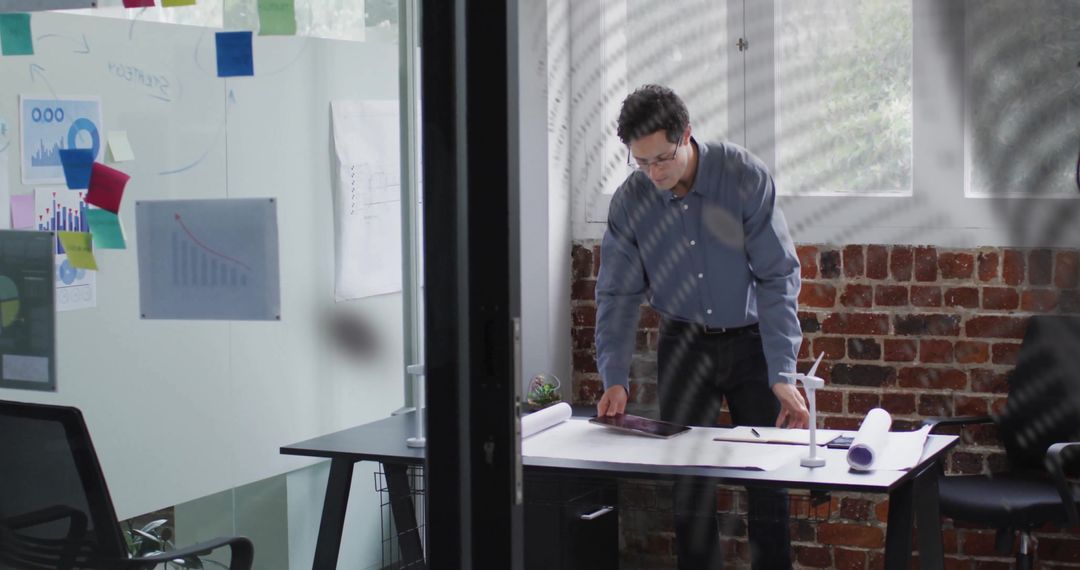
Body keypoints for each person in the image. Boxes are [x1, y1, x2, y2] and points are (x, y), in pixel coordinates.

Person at [594, 84, 808, 569]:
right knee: (689, 486)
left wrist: (782, 371)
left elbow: (777, 277)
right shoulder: (632, 201)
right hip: (684, 343)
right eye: (641, 162)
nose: (654, 173)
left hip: (752, 344)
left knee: (768, 484)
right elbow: (617, 292)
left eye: (662, 159)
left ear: (687, 135)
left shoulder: (743, 176)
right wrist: (614, 376)